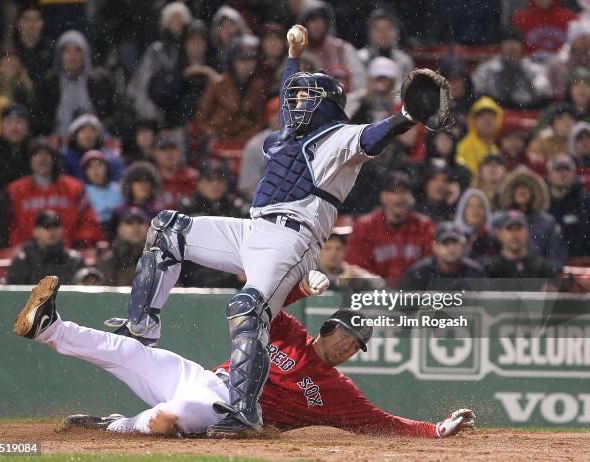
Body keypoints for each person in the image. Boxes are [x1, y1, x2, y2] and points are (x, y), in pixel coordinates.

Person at [104, 25, 450, 437]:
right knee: (166, 230)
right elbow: (290, 86)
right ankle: (142, 329)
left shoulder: (341, 136)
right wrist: (293, 54)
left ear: (325, 105)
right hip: (254, 229)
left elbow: (375, 135)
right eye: (296, 95)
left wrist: (407, 116)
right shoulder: (292, 130)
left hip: (292, 240)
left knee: (248, 309)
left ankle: (244, 412)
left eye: (305, 97)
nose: (295, 101)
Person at [13, 275, 475, 438]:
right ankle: (50, 327)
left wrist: (436, 429)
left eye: (359, 347)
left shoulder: (338, 390)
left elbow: (383, 423)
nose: (351, 349)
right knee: (129, 352)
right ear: (328, 328)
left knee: (171, 418)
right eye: (350, 338)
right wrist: (298, 288)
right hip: (204, 378)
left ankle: (113, 427)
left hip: (231, 412)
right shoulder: (287, 330)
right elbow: (251, 302)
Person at [6, 138, 104, 248]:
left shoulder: (74, 188)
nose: (42, 159)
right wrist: (23, 249)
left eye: (47, 154)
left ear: (54, 160)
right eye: (37, 155)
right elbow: (10, 226)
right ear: (29, 160)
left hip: (68, 255)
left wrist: (80, 244)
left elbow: (89, 222)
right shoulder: (15, 190)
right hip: (29, 258)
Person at [346, 171, 435, 285]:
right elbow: (355, 266)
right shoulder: (365, 226)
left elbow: (432, 265)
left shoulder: (424, 226)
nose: (400, 197)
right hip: (374, 296)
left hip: (415, 295)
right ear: (383, 196)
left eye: (405, 191)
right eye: (394, 192)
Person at [32, 30, 121, 136]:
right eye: (67, 51)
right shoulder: (49, 83)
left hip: (96, 142)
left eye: (77, 51)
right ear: (60, 55)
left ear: (85, 53)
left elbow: (116, 114)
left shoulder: (101, 80)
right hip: (58, 141)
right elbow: (40, 117)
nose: (72, 57)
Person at [194, 34, 266, 145]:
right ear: (232, 61)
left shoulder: (258, 86)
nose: (247, 64)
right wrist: (212, 134)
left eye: (251, 59)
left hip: (246, 142)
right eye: (242, 59)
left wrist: (250, 137)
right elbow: (201, 118)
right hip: (218, 139)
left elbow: (260, 119)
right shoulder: (217, 83)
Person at [499, 166, 568, 268]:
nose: (522, 190)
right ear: (511, 191)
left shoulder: (548, 223)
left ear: (534, 192)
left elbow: (556, 259)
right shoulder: (498, 221)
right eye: (518, 186)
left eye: (527, 186)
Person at [471, 28, 551, 110]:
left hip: (525, 111)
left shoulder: (533, 69)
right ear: (501, 46)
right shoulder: (487, 69)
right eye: (508, 42)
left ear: (522, 46)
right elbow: (477, 90)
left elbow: (544, 93)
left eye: (515, 42)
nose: (512, 46)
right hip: (494, 112)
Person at [400, 222, 489, 291]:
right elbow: (405, 309)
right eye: (445, 243)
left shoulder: (476, 273)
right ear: (435, 247)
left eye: (455, 243)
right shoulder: (418, 274)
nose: (451, 248)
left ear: (463, 245)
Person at [299, 1, 366, 92]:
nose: (318, 25)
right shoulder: (297, 51)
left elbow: (359, 82)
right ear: (304, 24)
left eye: (322, 21)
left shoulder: (342, 48)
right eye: (313, 20)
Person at [484, 211, 558, 290]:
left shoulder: (542, 267)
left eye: (519, 228)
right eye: (510, 229)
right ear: (500, 234)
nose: (515, 234)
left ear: (528, 232)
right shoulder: (490, 268)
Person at [6, 211, 85, 284]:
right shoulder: (23, 261)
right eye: (47, 227)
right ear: (35, 231)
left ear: (62, 230)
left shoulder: (74, 260)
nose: (52, 231)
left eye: (56, 226)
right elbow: (12, 295)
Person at [546, 154, 590, 257]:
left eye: (566, 169)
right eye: (558, 169)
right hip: (548, 264)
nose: (563, 174)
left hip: (580, 260)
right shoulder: (539, 201)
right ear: (549, 174)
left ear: (574, 173)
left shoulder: (586, 201)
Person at [60, 113, 125, 182]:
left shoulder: (111, 159)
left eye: (92, 130)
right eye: (83, 130)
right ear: (75, 135)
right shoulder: (64, 157)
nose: (88, 134)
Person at [238, 97, 279, 200]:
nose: (280, 117)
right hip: (266, 204)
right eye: (275, 113)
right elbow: (249, 187)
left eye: (284, 113)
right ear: (268, 117)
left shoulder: (305, 141)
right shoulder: (255, 146)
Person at [97, 207, 150, 287]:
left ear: (149, 228)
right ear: (120, 229)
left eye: (140, 222)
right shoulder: (108, 261)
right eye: (129, 223)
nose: (135, 227)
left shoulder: (158, 260)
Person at [317, 232, 385, 291]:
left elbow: (380, 283)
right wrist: (341, 281)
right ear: (318, 251)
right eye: (327, 248)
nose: (333, 253)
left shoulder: (348, 269)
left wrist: (361, 281)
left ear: (345, 251)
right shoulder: (311, 269)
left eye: (338, 249)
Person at [357, 9, 414, 79]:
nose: (383, 32)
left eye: (388, 27)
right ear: (370, 33)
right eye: (378, 28)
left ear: (396, 32)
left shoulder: (405, 61)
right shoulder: (359, 59)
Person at [511, 0, 577, 59]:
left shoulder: (569, 18)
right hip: (528, 63)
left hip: (562, 63)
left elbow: (576, 45)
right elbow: (514, 44)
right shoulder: (520, 18)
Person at [455, 97, 503, 176]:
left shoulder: (496, 146)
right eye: (482, 117)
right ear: (474, 121)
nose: (487, 121)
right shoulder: (466, 146)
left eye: (491, 117)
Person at [150, 133, 198, 210]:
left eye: (172, 148)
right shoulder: (149, 179)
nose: (169, 153)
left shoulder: (192, 177)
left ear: (180, 151)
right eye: (163, 149)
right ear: (154, 153)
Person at [346, 57, 400, 125]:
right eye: (378, 78)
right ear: (370, 79)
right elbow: (345, 122)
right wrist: (368, 98)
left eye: (385, 78)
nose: (381, 83)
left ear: (393, 82)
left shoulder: (398, 102)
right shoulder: (356, 99)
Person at [81, 150, 123, 230]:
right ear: (85, 172)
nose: (95, 170)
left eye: (99, 165)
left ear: (107, 167)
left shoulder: (119, 189)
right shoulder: (82, 191)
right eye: (90, 167)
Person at [13, 4, 54, 86]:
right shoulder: (11, 49)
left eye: (36, 19)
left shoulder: (51, 50)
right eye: (27, 19)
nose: (32, 24)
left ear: (42, 23)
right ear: (19, 23)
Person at [454, 188, 500, 259]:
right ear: (463, 210)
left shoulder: (494, 239)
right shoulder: (453, 236)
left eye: (480, 206)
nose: (475, 210)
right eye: (471, 206)